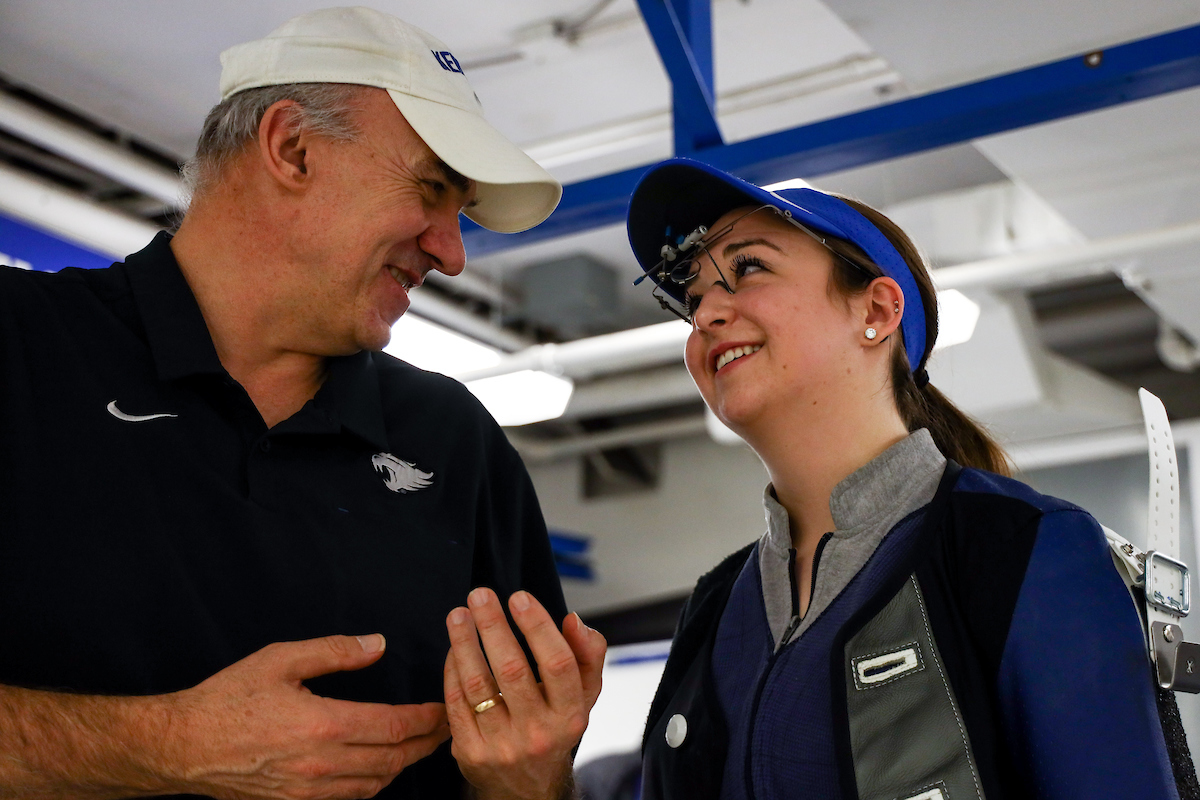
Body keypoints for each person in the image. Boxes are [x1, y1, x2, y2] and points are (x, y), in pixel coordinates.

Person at [0, 7, 605, 800]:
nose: (454, 255)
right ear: (292, 147)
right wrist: (168, 744)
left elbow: (520, 782)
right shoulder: (20, 346)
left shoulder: (455, 443)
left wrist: (532, 779)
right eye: (431, 188)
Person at [623, 157, 1193, 799]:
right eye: (694, 297)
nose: (704, 317)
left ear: (877, 307)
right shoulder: (714, 610)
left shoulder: (1029, 549)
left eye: (748, 268)